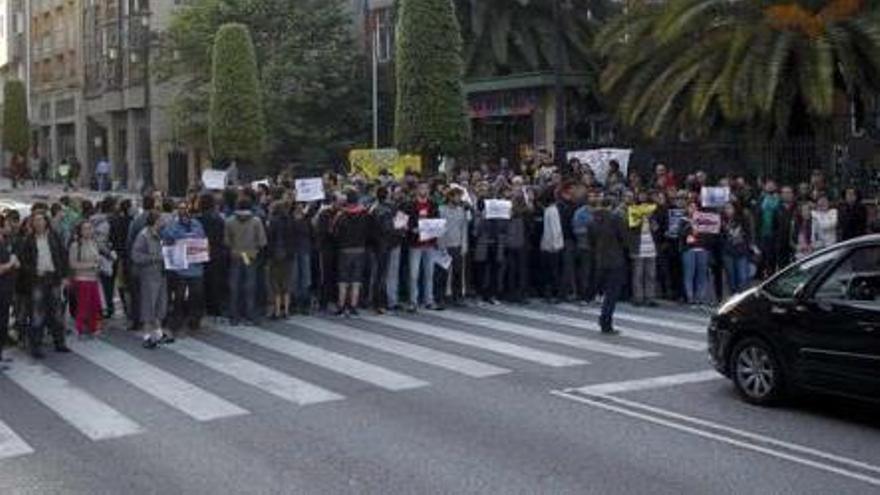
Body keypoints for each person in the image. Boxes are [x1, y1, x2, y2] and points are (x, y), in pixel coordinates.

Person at [19, 212, 71, 358]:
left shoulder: (54, 237)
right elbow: (23, 263)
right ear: (32, 223)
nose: (38, 223)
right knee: (37, 314)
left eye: (41, 220)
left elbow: (63, 255)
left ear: (46, 222)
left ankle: (59, 343)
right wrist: (35, 271)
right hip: (37, 280)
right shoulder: (28, 241)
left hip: (54, 278)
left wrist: (65, 276)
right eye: (35, 220)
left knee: (57, 312)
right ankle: (36, 346)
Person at [162, 201, 208, 333]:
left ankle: (194, 320)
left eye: (186, 209)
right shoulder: (172, 225)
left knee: (196, 295)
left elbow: (203, 240)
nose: (184, 212)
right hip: (180, 269)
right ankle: (177, 320)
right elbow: (166, 239)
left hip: (196, 268)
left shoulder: (197, 225)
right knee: (179, 296)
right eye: (181, 209)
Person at [588, 198, 629, 334]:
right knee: (612, 293)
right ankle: (606, 321)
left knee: (605, 291)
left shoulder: (592, 220)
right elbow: (624, 239)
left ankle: (604, 318)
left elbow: (591, 241)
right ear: (611, 206)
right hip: (615, 260)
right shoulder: (615, 219)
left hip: (600, 259)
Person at [224, 198, 267, 325]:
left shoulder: (229, 221)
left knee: (235, 285)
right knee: (250, 284)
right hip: (250, 255)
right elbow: (262, 241)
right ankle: (250, 313)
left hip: (236, 254)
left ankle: (234, 315)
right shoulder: (256, 221)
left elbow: (226, 241)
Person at [131, 211, 170, 348]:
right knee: (148, 305)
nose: (164, 221)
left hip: (160, 274)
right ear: (156, 221)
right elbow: (135, 256)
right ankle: (147, 336)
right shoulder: (143, 236)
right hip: (149, 275)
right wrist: (154, 258)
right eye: (161, 219)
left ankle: (158, 333)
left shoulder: (160, 234)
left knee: (160, 304)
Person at [331, 188, 371, 316]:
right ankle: (353, 305)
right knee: (356, 279)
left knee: (343, 279)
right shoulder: (364, 214)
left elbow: (333, 232)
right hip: (360, 249)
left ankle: (341, 305)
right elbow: (369, 232)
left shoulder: (341, 215)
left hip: (344, 250)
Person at [404, 182, 440, 312]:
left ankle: (429, 300)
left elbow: (437, 221)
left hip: (429, 243)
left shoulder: (433, 205)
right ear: (417, 190)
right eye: (421, 188)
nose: (423, 190)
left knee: (429, 274)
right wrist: (410, 229)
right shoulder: (409, 205)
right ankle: (413, 301)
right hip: (415, 244)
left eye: (425, 188)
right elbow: (403, 223)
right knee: (414, 274)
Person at [68, 221, 104, 337]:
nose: (88, 231)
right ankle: (81, 328)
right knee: (83, 305)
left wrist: (98, 264)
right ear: (80, 231)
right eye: (85, 229)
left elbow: (97, 258)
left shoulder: (93, 243)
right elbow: (72, 264)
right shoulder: (75, 245)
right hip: (81, 279)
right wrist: (90, 265)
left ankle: (93, 327)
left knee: (95, 304)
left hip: (94, 278)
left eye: (90, 228)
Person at [721, 202, 754, 294]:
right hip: (728, 252)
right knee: (731, 277)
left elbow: (749, 234)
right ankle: (733, 295)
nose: (728, 210)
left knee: (743, 277)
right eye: (726, 208)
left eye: (730, 208)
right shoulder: (721, 221)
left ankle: (742, 296)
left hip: (741, 251)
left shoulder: (742, 220)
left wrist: (750, 246)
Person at [0, 217, 19, 369]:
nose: (9, 227)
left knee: (3, 323)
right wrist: (12, 262)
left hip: (6, 290)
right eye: (6, 225)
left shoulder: (5, 243)